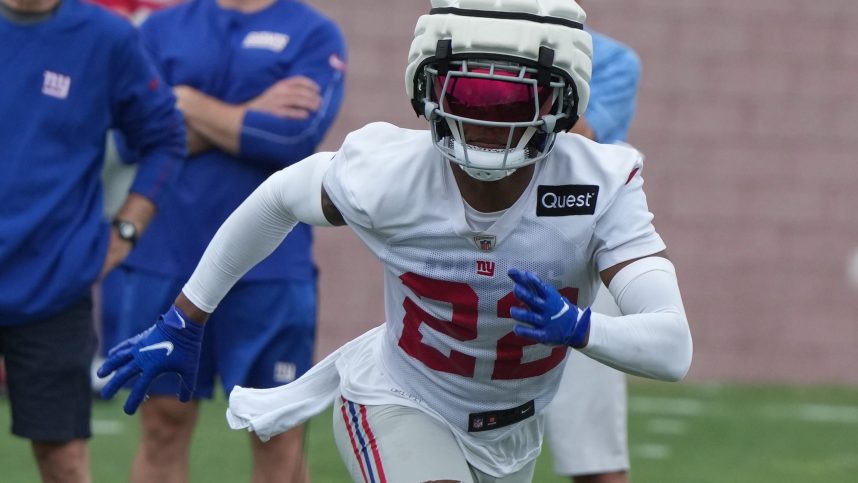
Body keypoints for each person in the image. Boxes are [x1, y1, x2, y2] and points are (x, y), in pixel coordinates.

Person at [98, 1, 693, 482]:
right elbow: (278, 197)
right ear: (429, 90)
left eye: (514, 99)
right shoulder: (390, 170)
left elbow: (671, 346)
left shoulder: (600, 182)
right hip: (397, 397)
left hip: (513, 431)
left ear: (560, 100)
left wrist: (581, 326)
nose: (488, 122)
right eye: (466, 96)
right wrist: (187, 316)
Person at [96, 0, 346, 482]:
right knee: (162, 425)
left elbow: (294, 138)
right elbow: (132, 139)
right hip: (163, 259)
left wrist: (185, 102)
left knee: (275, 430)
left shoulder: (314, 32)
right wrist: (249, 113)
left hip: (270, 269)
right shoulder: (161, 28)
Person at [0, 0, 185, 481]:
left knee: (62, 459)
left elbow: (165, 136)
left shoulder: (106, 37)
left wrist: (126, 229)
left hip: (51, 289)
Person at [543, 27, 644, 483]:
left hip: (576, 254)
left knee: (594, 457)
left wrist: (541, 63)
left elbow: (582, 140)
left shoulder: (613, 60)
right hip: (482, 245)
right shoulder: (477, 35)